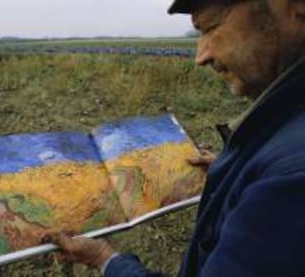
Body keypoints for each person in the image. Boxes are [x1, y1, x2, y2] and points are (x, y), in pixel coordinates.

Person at [41, 0, 305, 276]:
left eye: (211, 26)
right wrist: (235, 169)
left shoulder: (289, 180)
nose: (200, 56)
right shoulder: (285, 130)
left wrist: (105, 258)